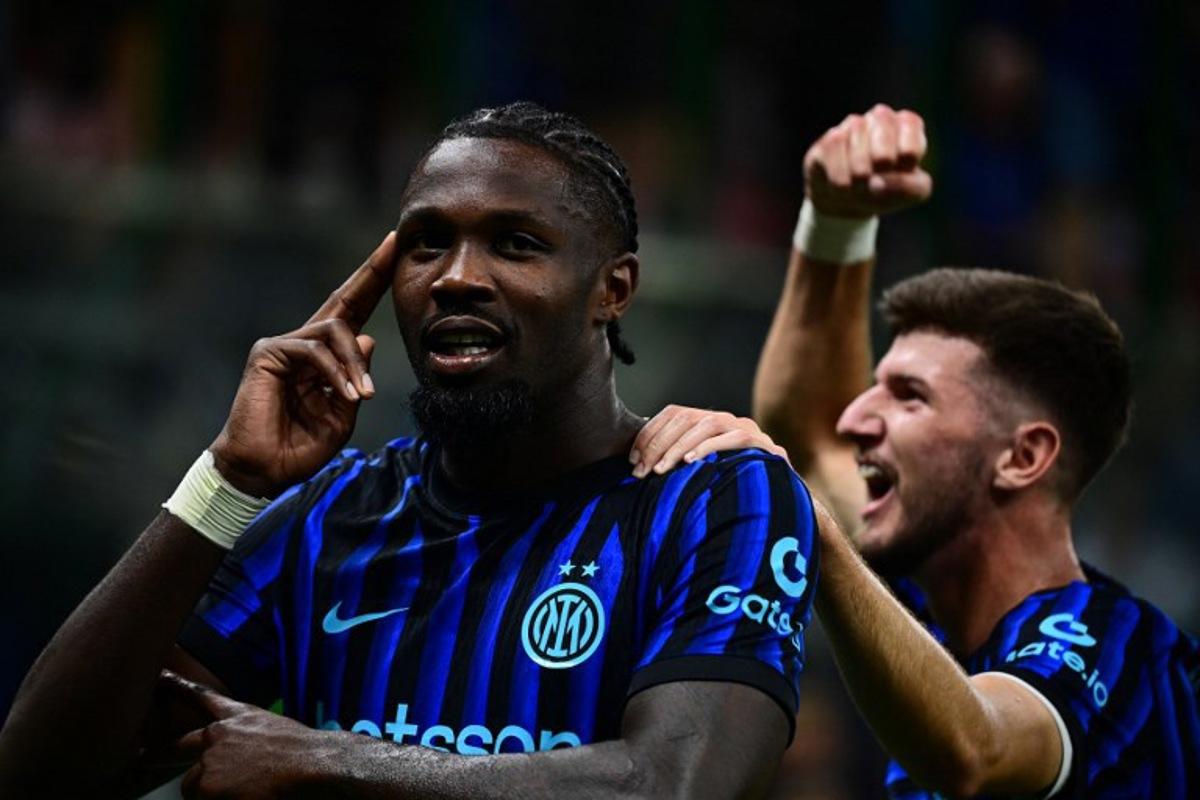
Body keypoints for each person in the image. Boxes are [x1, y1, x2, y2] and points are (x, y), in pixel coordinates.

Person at [0, 102, 822, 799]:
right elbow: (44, 773)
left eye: (515, 243)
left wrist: (328, 762)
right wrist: (226, 481)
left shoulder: (712, 498)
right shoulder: (330, 515)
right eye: (426, 243)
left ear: (613, 289)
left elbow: (674, 783)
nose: (456, 276)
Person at [635, 105, 1200, 798]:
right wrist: (835, 224)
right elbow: (812, 435)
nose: (859, 415)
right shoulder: (926, 608)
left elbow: (976, 752)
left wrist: (813, 520)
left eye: (909, 397)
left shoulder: (1119, 648)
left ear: (1022, 458)